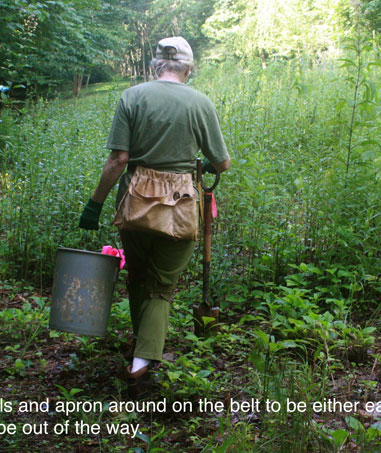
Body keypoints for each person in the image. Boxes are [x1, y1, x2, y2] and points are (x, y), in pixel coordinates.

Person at [79, 36, 231, 383]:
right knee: (161, 286)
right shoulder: (200, 103)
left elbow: (119, 159)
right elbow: (222, 163)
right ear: (188, 69)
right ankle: (142, 363)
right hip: (180, 206)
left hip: (135, 202)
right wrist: (205, 166)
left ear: (155, 66)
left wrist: (95, 204)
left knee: (138, 276)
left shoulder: (132, 97)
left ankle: (141, 343)